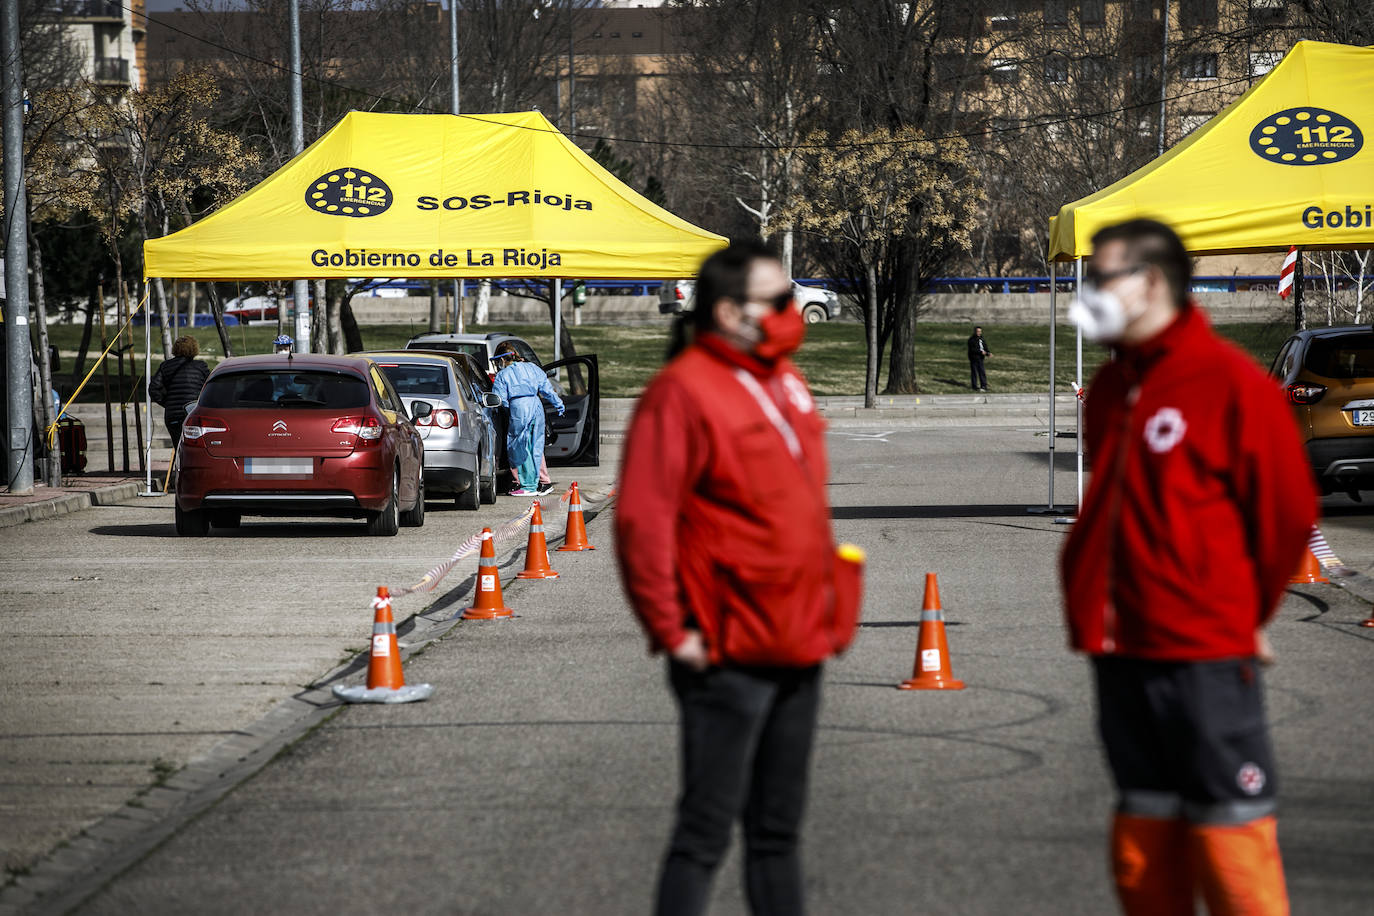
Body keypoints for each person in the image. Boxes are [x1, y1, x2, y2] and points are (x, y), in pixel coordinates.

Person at [1061, 219, 1318, 916]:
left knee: (1229, 837)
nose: (1087, 293)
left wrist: (1241, 612)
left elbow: (1288, 514)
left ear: (1150, 283)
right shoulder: (1113, 387)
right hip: (1119, 648)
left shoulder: (1229, 383)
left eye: (1101, 277)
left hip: (1201, 650)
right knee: (1144, 837)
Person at [616, 241, 856, 916]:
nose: (791, 310)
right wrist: (673, 630)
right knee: (705, 833)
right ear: (727, 311)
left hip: (797, 638)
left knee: (778, 834)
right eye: (776, 300)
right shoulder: (682, 391)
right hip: (724, 646)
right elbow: (643, 521)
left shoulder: (786, 380)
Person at [492, 341, 563, 497]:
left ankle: (528, 485)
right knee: (536, 446)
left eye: (498, 361)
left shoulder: (503, 375)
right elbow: (547, 389)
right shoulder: (533, 368)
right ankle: (544, 482)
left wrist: (507, 410)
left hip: (518, 406)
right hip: (536, 405)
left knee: (519, 446)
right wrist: (559, 404)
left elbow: (499, 399)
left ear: (503, 360)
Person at [148, 335, 210, 444]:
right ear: (194, 348)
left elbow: (153, 388)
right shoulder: (201, 366)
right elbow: (209, 388)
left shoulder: (165, 366)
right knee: (196, 447)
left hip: (173, 415)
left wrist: (167, 403)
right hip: (194, 412)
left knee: (178, 447)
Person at [967, 325, 990, 390]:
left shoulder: (982, 339)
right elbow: (972, 349)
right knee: (974, 372)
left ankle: (984, 385)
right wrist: (980, 352)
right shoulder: (972, 340)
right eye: (977, 331)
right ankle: (974, 386)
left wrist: (988, 353)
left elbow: (985, 347)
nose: (979, 333)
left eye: (980, 331)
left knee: (982, 372)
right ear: (975, 332)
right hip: (974, 358)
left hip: (980, 358)